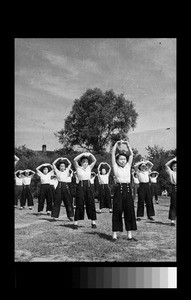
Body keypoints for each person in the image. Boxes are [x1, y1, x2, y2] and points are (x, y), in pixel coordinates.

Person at [111, 140, 137, 241]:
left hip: (128, 190)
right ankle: (114, 234)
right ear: (117, 160)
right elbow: (113, 153)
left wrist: (128, 145)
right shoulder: (115, 167)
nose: (123, 160)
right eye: (121, 159)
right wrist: (116, 144)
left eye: (124, 159)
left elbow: (131, 155)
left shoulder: (128, 166)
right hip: (118, 190)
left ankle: (129, 234)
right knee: (117, 211)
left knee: (129, 211)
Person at [73, 152, 97, 229]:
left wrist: (89, 154)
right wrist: (83, 154)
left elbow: (94, 160)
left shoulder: (89, 168)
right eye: (83, 162)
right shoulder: (78, 168)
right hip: (81, 186)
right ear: (81, 162)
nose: (85, 163)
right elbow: (74, 160)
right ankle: (76, 223)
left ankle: (93, 222)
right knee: (79, 203)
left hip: (89, 186)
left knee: (90, 203)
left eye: (86, 162)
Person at [165, 157, 177, 226]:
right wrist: (173, 159)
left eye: (176, 166)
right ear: (172, 167)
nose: (175, 167)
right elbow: (166, 165)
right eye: (174, 166)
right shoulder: (171, 172)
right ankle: (172, 220)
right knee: (173, 204)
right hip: (174, 187)